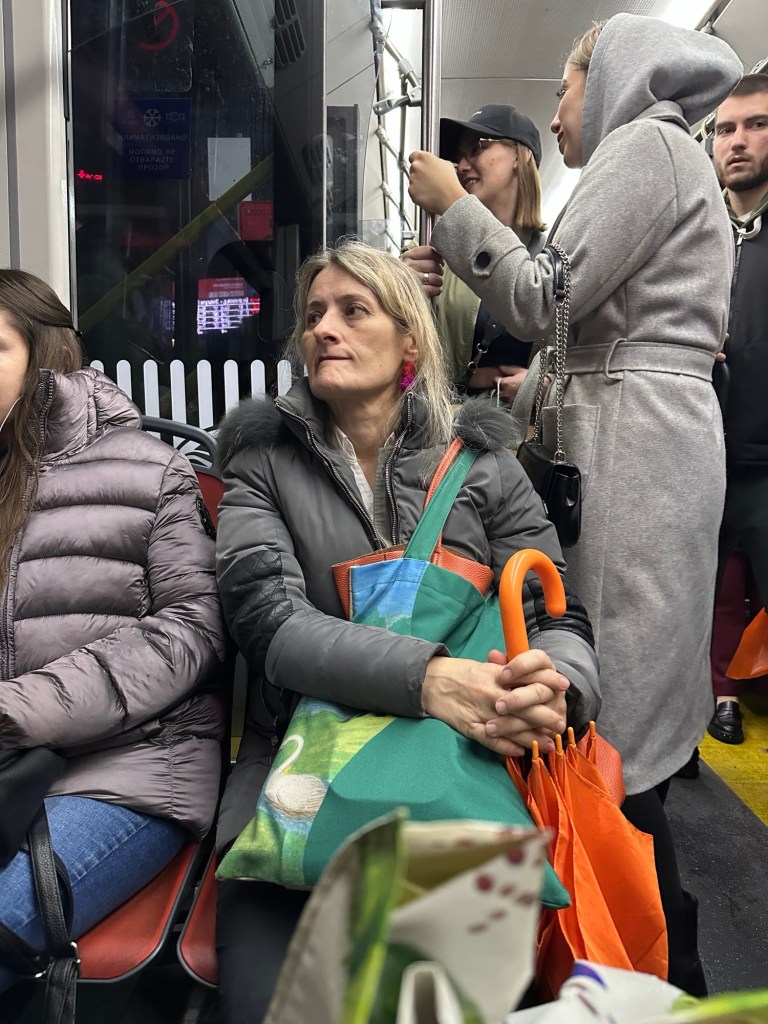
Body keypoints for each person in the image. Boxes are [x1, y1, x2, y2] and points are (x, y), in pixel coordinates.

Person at [407, 14, 743, 994]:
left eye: (564, 86)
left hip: (639, 455)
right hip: (642, 439)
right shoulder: (664, 158)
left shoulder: (649, 144)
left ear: (612, 77)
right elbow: (585, 327)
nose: (557, 112)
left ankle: (654, 963)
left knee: (615, 726)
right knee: (616, 711)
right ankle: (640, 956)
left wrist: (453, 208)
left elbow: (542, 300)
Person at [214, 239, 600, 1023]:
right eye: (313, 315)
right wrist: (429, 680)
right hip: (294, 783)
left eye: (353, 311)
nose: (324, 329)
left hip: (462, 775)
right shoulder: (260, 463)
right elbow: (270, 626)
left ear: (409, 344)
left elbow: (555, 614)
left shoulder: (484, 465)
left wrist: (557, 690)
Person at [0, 270, 228, 993]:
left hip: (125, 771)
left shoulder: (150, 472)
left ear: (45, 357)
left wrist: (19, 709)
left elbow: (192, 632)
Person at [402, 104, 546, 402]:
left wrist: (543, 386)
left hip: (527, 425)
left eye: (476, 148)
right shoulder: (430, 250)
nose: (462, 166)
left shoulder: (554, 257)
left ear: (522, 155)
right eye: (458, 157)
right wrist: (397, 291)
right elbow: (397, 353)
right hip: (450, 418)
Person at [707, 74, 768, 744]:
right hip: (706, 447)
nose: (739, 141)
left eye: (757, 124)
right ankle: (721, 692)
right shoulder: (700, 231)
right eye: (726, 129)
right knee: (715, 585)